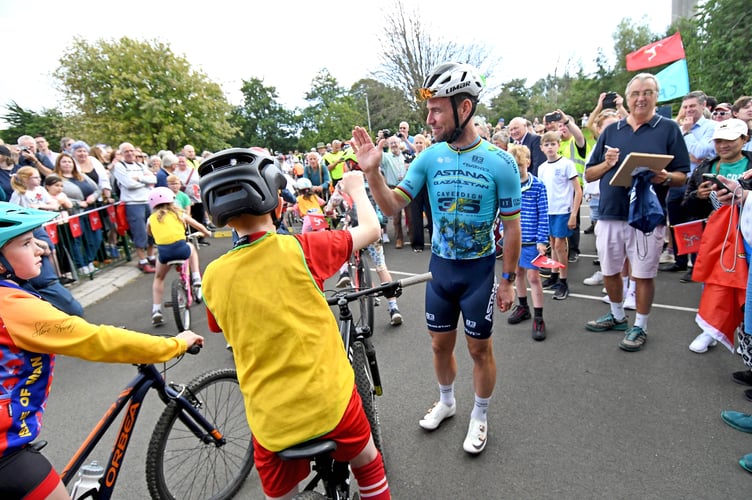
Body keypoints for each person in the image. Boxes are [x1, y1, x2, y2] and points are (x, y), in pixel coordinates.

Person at [351, 62, 522, 455]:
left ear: (465, 108)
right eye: (428, 111)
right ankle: (447, 401)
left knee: (480, 350)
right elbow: (393, 206)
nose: (428, 119)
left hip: (479, 272)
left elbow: (512, 228)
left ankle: (480, 414)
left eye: (437, 110)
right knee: (438, 346)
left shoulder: (502, 162)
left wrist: (510, 279)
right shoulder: (429, 158)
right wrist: (374, 174)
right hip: (441, 271)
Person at [198, 148, 389, 499]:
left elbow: (220, 327)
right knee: (368, 462)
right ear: (277, 204)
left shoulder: (212, 276)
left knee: (278, 493)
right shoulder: (302, 248)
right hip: (329, 405)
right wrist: (356, 187)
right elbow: (372, 229)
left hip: (271, 419)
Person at [0, 202, 203, 499]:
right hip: (7, 452)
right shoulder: (13, 307)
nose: (41, 249)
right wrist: (174, 344)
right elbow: (95, 340)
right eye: (27, 243)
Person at [584, 72, 690, 352]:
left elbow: (683, 175)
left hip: (646, 215)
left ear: (656, 97)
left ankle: (640, 325)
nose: (641, 98)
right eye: (635, 93)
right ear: (628, 98)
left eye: (647, 92)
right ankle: (618, 316)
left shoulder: (668, 129)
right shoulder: (611, 130)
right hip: (610, 211)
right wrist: (607, 164)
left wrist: (666, 177)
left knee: (643, 274)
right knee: (609, 270)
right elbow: (589, 173)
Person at [681, 118, 752, 353]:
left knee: (745, 288)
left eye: (729, 140)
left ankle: (744, 335)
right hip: (716, 238)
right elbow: (687, 205)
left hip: (747, 236)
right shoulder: (705, 168)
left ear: (744, 139)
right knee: (714, 284)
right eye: (719, 140)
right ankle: (711, 329)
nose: (723, 145)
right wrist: (699, 197)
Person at [662, 91, 716, 282]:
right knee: (676, 222)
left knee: (695, 222)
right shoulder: (676, 128)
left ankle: (696, 265)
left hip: (699, 181)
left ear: (703, 106)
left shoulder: (711, 127)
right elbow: (674, 155)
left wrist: (687, 132)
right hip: (678, 180)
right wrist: (690, 153)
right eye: (685, 107)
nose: (688, 110)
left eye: (692, 106)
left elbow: (702, 153)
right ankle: (679, 260)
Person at [146, 187, 210, 326]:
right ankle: (196, 277)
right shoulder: (179, 214)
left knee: (159, 278)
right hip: (181, 248)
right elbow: (198, 226)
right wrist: (206, 233)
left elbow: (150, 234)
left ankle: (156, 310)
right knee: (191, 248)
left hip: (164, 253)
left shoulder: (151, 219)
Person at [505, 144, 549, 339]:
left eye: (520, 166)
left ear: (528, 163)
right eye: (513, 167)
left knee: (534, 278)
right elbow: (503, 212)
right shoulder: (508, 186)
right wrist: (502, 233)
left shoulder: (538, 185)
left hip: (532, 241)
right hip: (515, 241)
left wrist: (542, 240)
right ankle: (523, 307)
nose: (517, 171)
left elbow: (543, 215)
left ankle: (539, 317)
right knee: (518, 274)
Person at [537, 130, 582, 300]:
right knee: (552, 243)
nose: (550, 148)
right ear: (542, 148)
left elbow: (578, 191)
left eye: (553, 144)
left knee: (559, 246)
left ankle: (563, 281)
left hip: (562, 210)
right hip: (547, 211)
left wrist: (573, 213)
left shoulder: (566, 164)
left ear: (558, 145)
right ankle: (554, 275)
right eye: (546, 145)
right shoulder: (542, 168)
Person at [54, 153, 104, 276]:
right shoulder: (56, 178)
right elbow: (56, 195)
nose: (67, 164)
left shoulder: (81, 176)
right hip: (73, 214)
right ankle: (81, 265)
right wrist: (77, 203)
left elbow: (97, 188)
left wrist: (93, 196)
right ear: (59, 164)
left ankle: (89, 260)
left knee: (96, 238)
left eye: (69, 162)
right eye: (64, 162)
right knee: (76, 240)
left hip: (90, 211)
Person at [112, 142, 158, 272]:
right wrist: (144, 181)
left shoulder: (140, 165)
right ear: (121, 154)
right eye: (126, 151)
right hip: (132, 203)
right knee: (139, 232)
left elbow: (153, 180)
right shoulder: (119, 167)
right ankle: (142, 260)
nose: (130, 153)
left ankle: (151, 255)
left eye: (132, 150)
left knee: (151, 230)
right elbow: (128, 184)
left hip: (146, 201)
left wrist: (139, 179)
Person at [406, 133, 433, 252]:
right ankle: (418, 244)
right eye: (416, 142)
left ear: (425, 144)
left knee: (431, 215)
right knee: (415, 216)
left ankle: (434, 241)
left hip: (428, 188)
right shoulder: (409, 157)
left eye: (420, 142)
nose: (418, 145)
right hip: (415, 189)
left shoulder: (430, 157)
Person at [379, 136, 407, 248]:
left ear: (400, 143)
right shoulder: (385, 157)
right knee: (396, 217)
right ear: (389, 145)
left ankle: (412, 236)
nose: (394, 145)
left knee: (410, 215)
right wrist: (380, 141)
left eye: (395, 142)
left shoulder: (405, 156)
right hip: (393, 188)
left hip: (406, 187)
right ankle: (399, 239)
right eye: (391, 143)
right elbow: (378, 155)